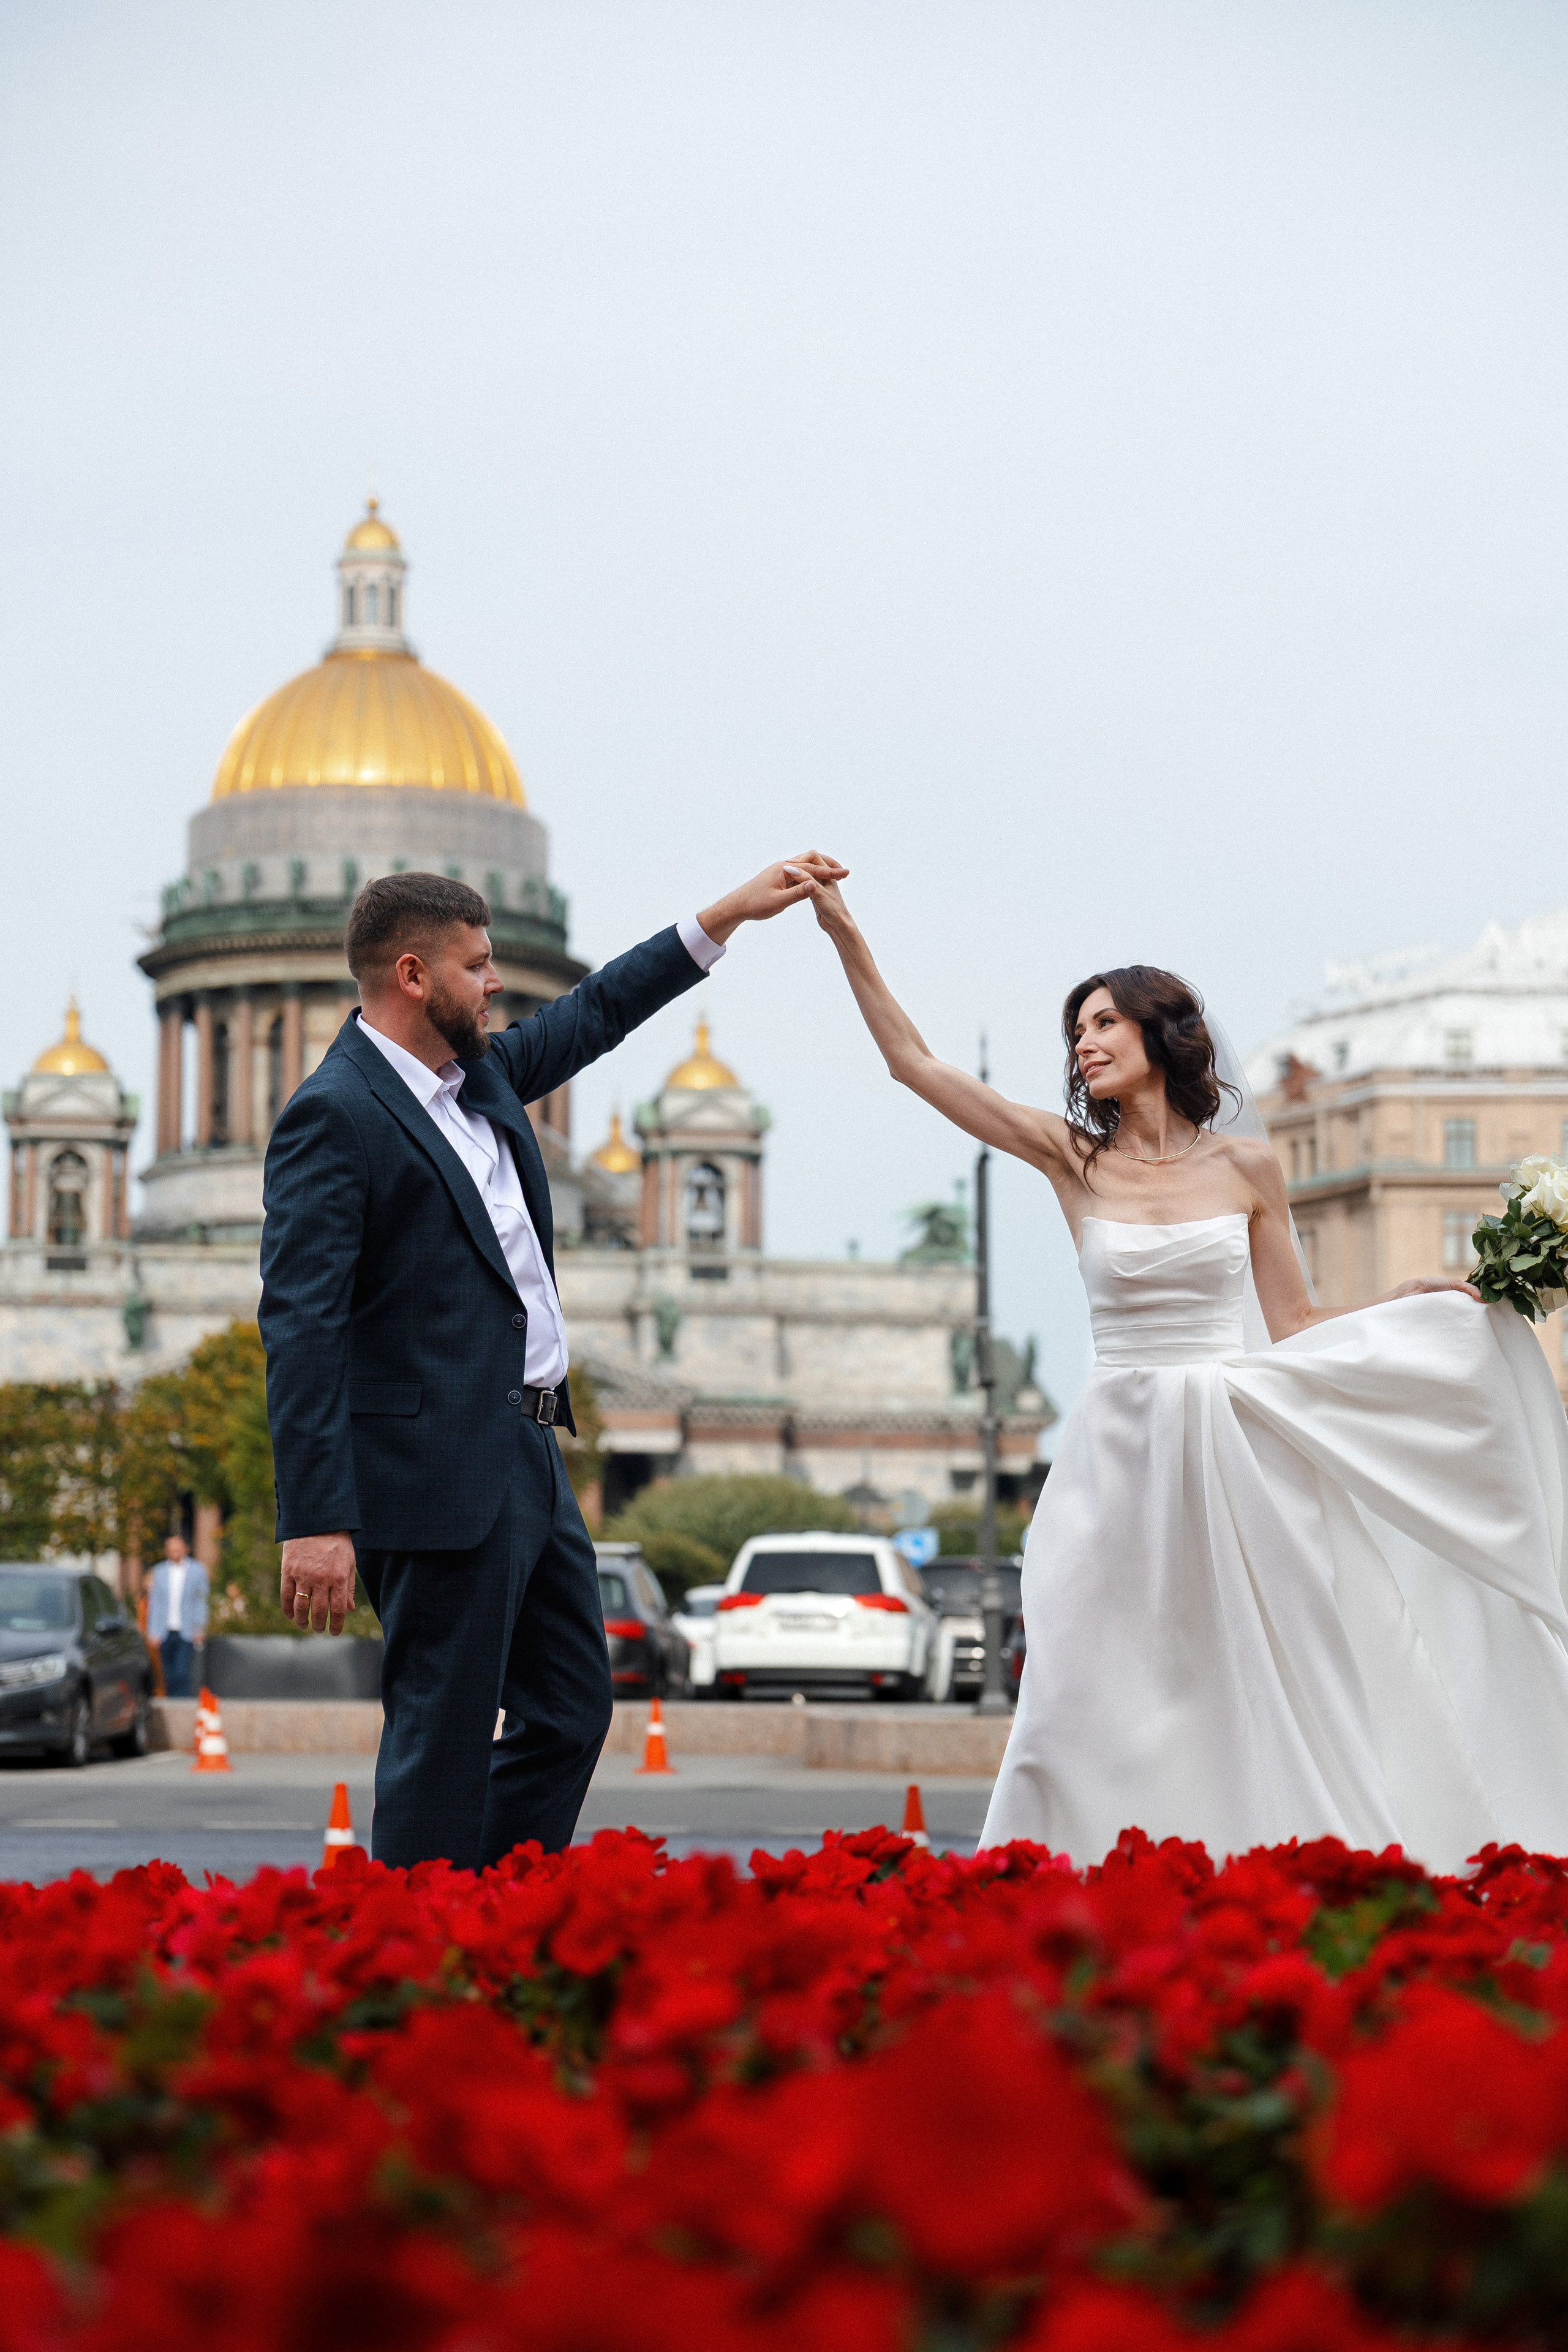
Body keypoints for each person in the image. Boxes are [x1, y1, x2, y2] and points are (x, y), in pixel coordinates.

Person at [802, 875, 1568, 1871]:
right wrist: (844, 933)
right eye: (1078, 1027)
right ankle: (1058, 1875)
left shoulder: (1249, 1169)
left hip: (1234, 1449)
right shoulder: (1070, 1157)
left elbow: (1292, 1324)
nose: (1083, 1041)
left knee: (1270, 1666)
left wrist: (1411, 1297)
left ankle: (1292, 1867)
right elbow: (914, 1065)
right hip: (1115, 1451)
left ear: (1162, 1035)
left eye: (1105, 1021)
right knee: (1082, 1673)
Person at [260, 857, 845, 1871]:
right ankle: (415, 1960)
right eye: (478, 966)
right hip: (434, 1474)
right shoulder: (337, 1114)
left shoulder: (479, 1080)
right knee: (438, 1743)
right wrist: (314, 1517)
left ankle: (486, 1906)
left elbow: (599, 1010)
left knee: (572, 1710)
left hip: (529, 1451)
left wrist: (727, 916)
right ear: (412, 974)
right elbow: (301, 1326)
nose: (495, 985)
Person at [145, 1534, 208, 1698]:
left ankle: (181, 1706)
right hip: (165, 1630)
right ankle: (172, 1706)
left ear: (185, 1549)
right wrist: (153, 1630)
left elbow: (201, 1601)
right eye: (171, 1549)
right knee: (168, 1673)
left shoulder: (198, 1570)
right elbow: (156, 1603)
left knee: (182, 1672)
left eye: (177, 1548)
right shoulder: (159, 1571)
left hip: (186, 1630)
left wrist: (199, 1627)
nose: (174, 1552)